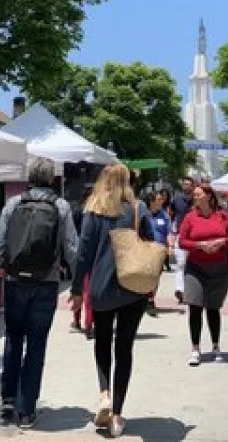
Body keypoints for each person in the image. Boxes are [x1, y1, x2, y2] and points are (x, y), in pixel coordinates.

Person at [0, 158, 78, 429]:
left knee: (13, 338)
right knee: (36, 344)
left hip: (14, 282)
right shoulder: (60, 207)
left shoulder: (13, 204)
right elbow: (72, 248)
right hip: (45, 283)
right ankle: (26, 411)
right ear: (51, 179)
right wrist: (81, 284)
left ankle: (8, 399)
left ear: (29, 177)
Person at [70, 164, 154, 439]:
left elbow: (83, 253)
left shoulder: (94, 210)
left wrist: (76, 289)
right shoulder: (138, 209)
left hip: (102, 287)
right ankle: (117, 414)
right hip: (133, 287)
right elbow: (152, 244)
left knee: (103, 341)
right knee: (125, 348)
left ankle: (104, 392)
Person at [178, 183, 228, 366]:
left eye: (199, 194)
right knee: (195, 306)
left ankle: (215, 346)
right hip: (196, 268)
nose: (195, 197)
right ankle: (195, 349)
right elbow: (182, 241)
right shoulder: (190, 217)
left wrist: (221, 242)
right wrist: (199, 245)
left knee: (213, 308)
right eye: (194, 195)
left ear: (209, 197)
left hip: (219, 268)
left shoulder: (222, 216)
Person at [70, 187, 95, 339]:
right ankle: (88, 324)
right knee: (87, 292)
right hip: (92, 256)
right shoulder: (95, 213)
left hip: (78, 255)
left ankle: (78, 320)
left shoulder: (78, 211)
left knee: (78, 288)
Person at [144, 191, 172, 316]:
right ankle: (147, 300)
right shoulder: (143, 214)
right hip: (145, 250)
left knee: (155, 276)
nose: (162, 201)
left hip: (159, 251)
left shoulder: (164, 215)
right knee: (145, 275)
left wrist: (170, 246)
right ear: (151, 202)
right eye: (159, 199)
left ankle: (150, 298)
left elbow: (169, 232)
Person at [171, 176, 194, 304]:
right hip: (180, 235)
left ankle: (190, 291)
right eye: (184, 184)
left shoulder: (197, 200)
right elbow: (172, 214)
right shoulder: (177, 199)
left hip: (194, 237)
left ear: (192, 186)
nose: (186, 186)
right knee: (180, 264)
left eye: (188, 184)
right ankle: (180, 290)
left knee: (192, 264)